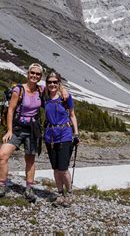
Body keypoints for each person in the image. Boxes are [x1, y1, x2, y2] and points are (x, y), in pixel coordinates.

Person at [0, 64, 67, 202]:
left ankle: (29, 189)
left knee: (30, 160)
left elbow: (55, 87)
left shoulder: (41, 90)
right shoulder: (19, 90)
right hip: (17, 128)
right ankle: (1, 186)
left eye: (37, 74)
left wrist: (64, 89)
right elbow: (11, 110)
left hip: (32, 130)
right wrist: (9, 130)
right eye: (32, 73)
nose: (34, 76)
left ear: (40, 77)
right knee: (2, 155)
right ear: (28, 73)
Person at [43, 71, 79, 207]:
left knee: (63, 168)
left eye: (55, 82)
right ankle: (59, 193)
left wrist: (76, 134)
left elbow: (72, 115)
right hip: (50, 136)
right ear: (46, 84)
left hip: (64, 134)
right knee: (56, 169)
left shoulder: (65, 97)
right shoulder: (44, 96)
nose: (52, 84)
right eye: (49, 82)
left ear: (59, 83)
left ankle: (69, 193)